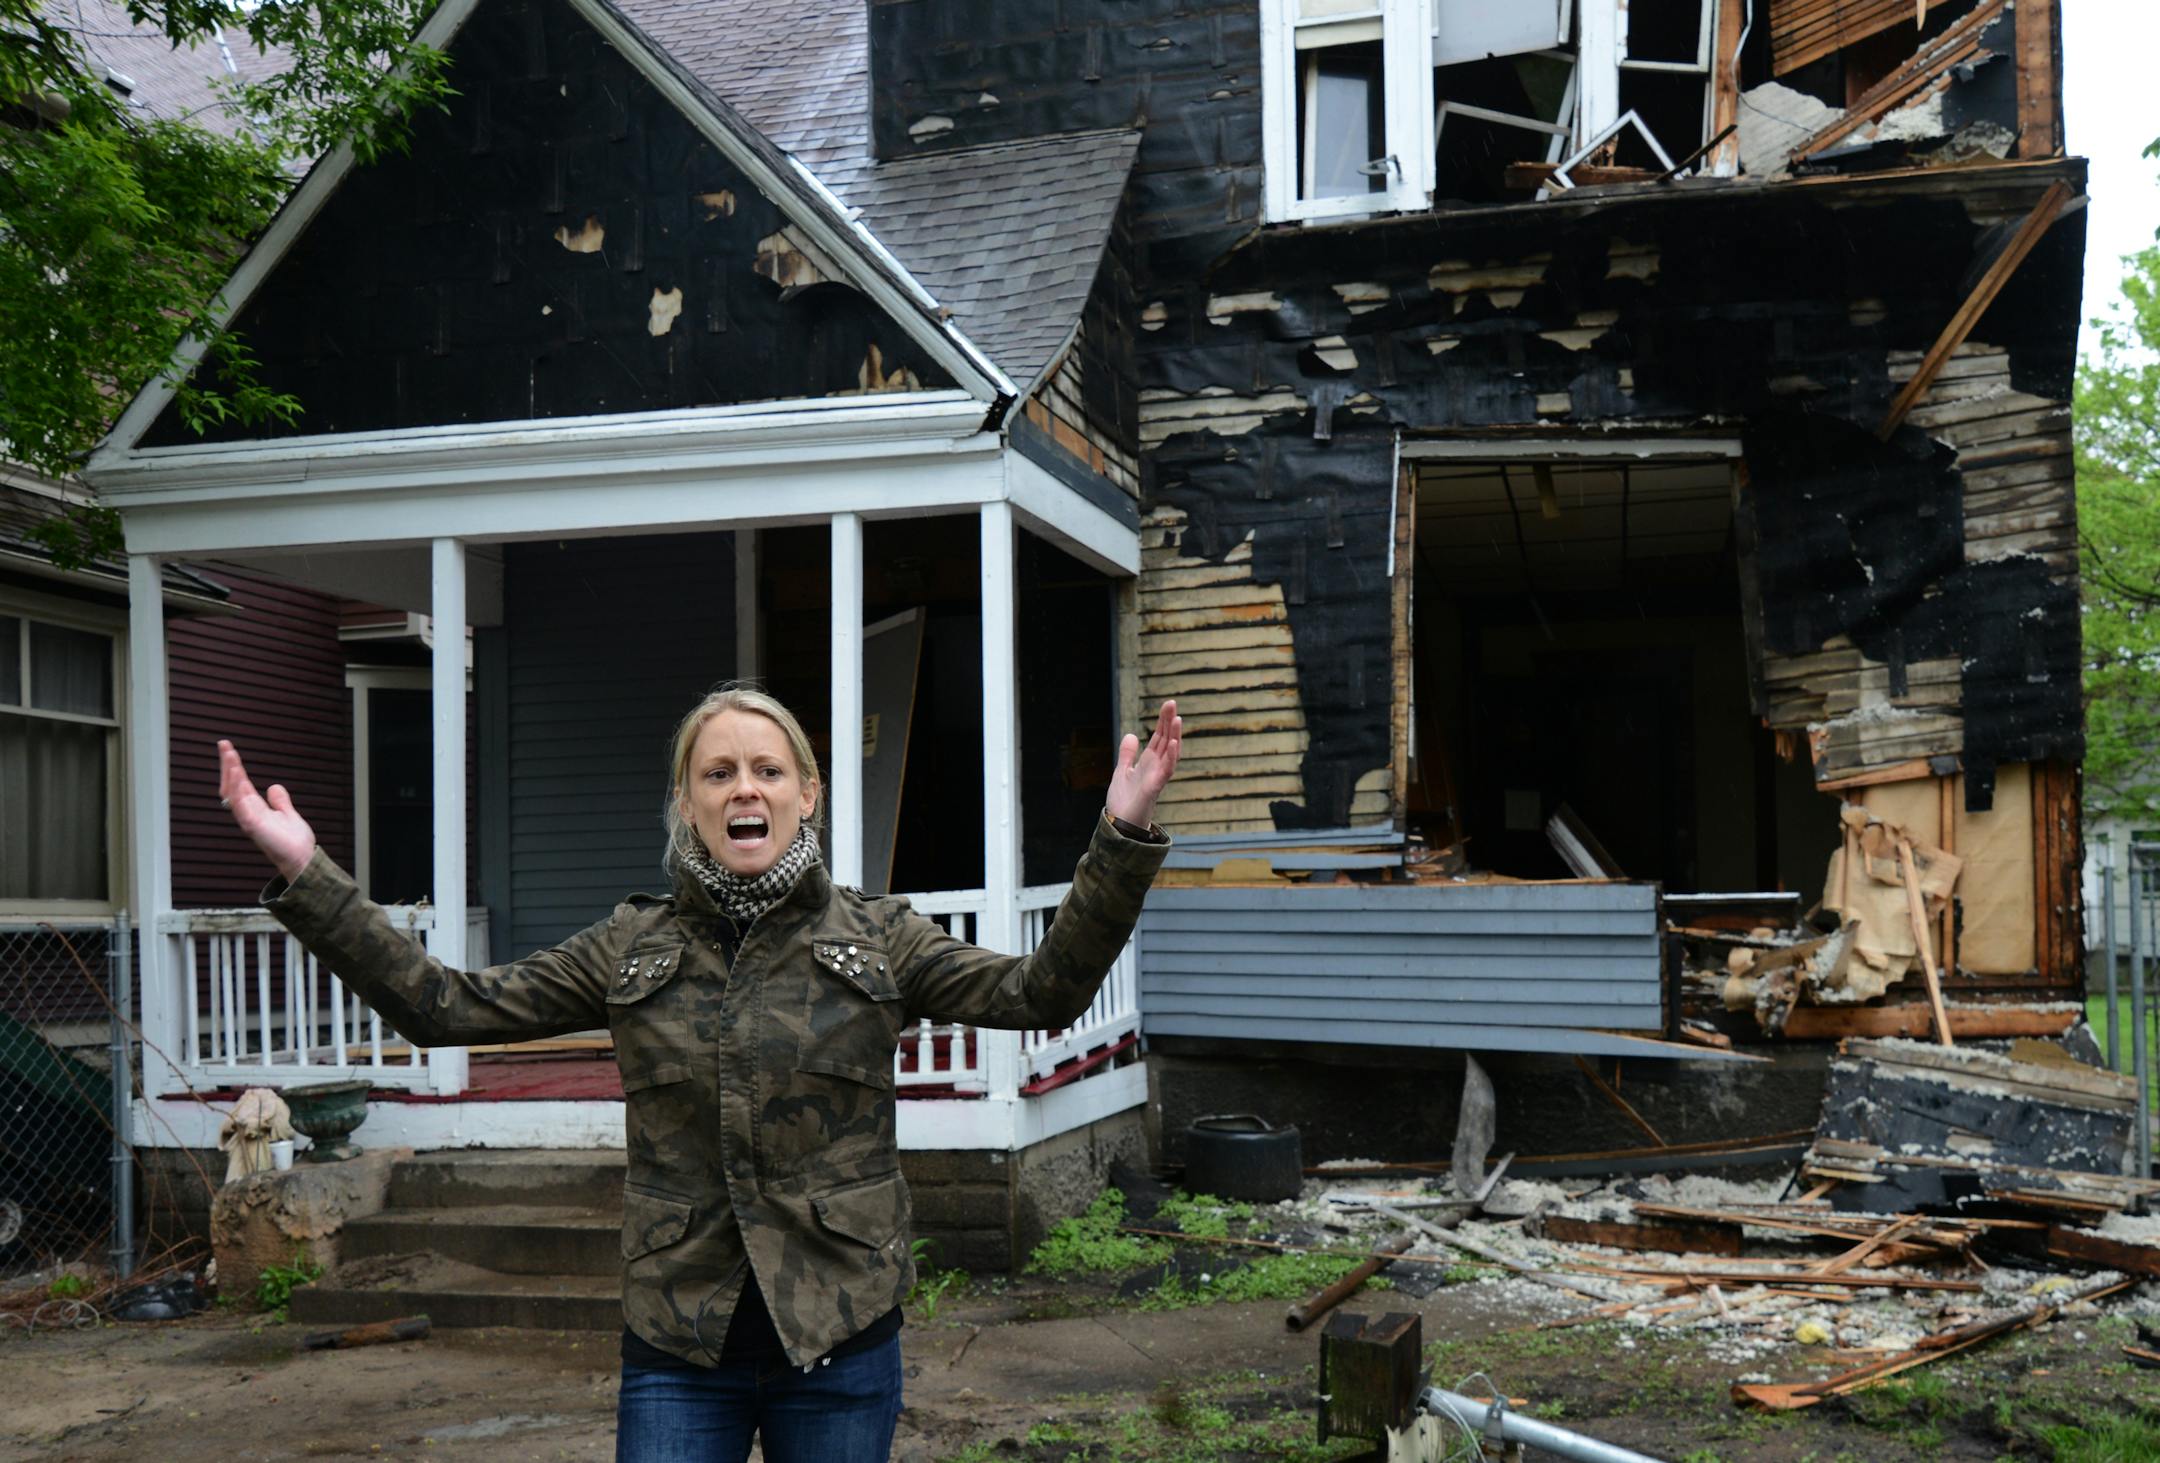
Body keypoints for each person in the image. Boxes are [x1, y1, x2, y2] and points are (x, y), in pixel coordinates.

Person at [216, 685, 1181, 1463]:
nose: (742, 789)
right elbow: (447, 1005)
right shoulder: (632, 943)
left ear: (809, 793)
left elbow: (1042, 991)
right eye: (717, 773)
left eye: (767, 769)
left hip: (841, 1329)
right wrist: (311, 877)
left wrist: (1121, 839)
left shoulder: (878, 936)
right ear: (688, 803)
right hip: (682, 1338)